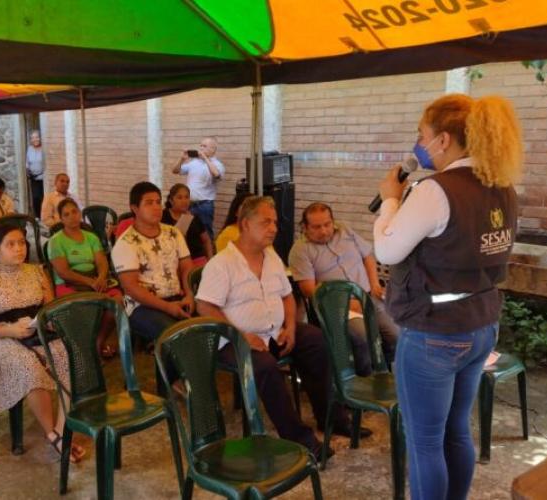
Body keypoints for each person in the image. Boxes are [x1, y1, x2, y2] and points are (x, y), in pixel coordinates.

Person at [373, 94, 521, 500]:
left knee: (424, 443)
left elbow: (387, 251)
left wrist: (389, 198)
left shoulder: (436, 190)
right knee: (456, 431)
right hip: (480, 325)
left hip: (434, 334)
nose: (418, 143)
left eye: (422, 135)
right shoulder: (502, 187)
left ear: (442, 140)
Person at [196, 196, 367, 459]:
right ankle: (300, 439)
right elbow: (205, 307)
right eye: (266, 222)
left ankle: (332, 417)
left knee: (317, 341)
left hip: (274, 331)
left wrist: (290, 326)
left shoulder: (271, 256)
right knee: (264, 367)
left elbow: (288, 296)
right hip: (233, 341)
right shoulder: (222, 264)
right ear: (245, 224)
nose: (274, 228)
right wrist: (241, 336)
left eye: (275, 222)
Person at [0, 225, 86, 463]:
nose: (18, 248)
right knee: (28, 365)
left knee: (70, 354)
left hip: (36, 331)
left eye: (22, 242)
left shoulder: (36, 272)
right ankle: (51, 434)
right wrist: (12, 330)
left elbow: (50, 309)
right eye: (10, 244)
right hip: (4, 337)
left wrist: (51, 323)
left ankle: (63, 429)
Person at [288, 202, 399, 376]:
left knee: (396, 335)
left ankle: (381, 372)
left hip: (367, 296)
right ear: (305, 227)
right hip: (337, 308)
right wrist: (345, 304)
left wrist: (375, 284)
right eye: (316, 227)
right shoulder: (300, 250)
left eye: (327, 224)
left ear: (333, 221)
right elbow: (309, 289)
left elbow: (368, 256)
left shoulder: (345, 231)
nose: (324, 231)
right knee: (363, 337)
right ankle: (364, 384)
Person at [111, 182, 194, 345]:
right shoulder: (126, 243)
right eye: (149, 203)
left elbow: (187, 267)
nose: (157, 207)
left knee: (209, 327)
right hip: (141, 306)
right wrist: (167, 307)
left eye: (158, 202)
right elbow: (131, 288)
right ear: (134, 208)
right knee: (176, 337)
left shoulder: (173, 233)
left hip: (178, 297)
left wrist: (190, 294)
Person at [48, 198, 122, 359]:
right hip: (69, 284)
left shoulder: (91, 237)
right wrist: (91, 282)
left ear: (79, 213)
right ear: (61, 219)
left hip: (94, 280)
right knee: (83, 308)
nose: (72, 217)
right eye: (66, 214)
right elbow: (63, 272)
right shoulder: (56, 242)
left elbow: (102, 263)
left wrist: (101, 278)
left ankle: (98, 343)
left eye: (74, 212)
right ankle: (81, 349)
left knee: (116, 302)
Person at [171, 137, 225, 239]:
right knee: (188, 232)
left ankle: (209, 254)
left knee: (206, 233)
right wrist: (181, 159)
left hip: (204, 206)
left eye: (204, 146)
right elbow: (174, 170)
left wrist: (205, 158)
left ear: (213, 149)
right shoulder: (194, 163)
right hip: (189, 205)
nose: (201, 148)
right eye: (200, 145)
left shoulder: (217, 164)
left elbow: (216, 174)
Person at [161, 184, 213, 267]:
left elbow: (206, 240)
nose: (184, 201)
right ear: (171, 200)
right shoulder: (163, 217)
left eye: (187, 197)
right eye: (179, 197)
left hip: (197, 259)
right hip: (173, 262)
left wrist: (210, 261)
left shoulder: (194, 217)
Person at [26, 130, 44, 217]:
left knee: (43, 198)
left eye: (36, 137)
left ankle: (43, 216)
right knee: (36, 198)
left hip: (43, 178)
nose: (35, 139)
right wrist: (28, 171)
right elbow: (27, 163)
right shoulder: (29, 149)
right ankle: (37, 217)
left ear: (40, 138)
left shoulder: (43, 148)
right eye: (33, 138)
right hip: (34, 178)